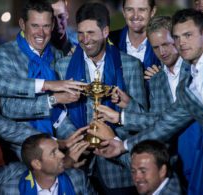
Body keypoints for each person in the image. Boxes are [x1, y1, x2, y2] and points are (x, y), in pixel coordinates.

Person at [91, 8, 203, 194]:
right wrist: (122, 145)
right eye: (177, 37)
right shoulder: (186, 87)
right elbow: (163, 125)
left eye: (188, 35)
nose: (182, 42)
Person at [55, 2, 147, 194]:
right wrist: (78, 139)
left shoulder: (130, 65)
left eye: (91, 33)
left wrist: (111, 136)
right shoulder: (62, 67)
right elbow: (57, 113)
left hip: (118, 170)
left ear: (105, 32)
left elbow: (143, 118)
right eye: (80, 33)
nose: (85, 39)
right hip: (79, 166)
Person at [0, 0, 85, 135]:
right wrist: (53, 97)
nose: (40, 33)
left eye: (46, 26)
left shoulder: (57, 55)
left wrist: (73, 138)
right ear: (22, 24)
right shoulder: (2, 55)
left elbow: (59, 114)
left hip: (56, 143)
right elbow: (9, 109)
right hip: (20, 145)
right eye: (35, 26)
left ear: (53, 25)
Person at [5, 133, 95, 195]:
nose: (62, 155)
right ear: (37, 164)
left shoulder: (77, 178)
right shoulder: (11, 190)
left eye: (58, 150)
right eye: (53, 153)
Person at [109, 0, 160, 70]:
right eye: (129, 9)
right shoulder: (109, 42)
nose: (135, 16)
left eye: (141, 10)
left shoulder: (165, 44)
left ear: (152, 11)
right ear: (123, 12)